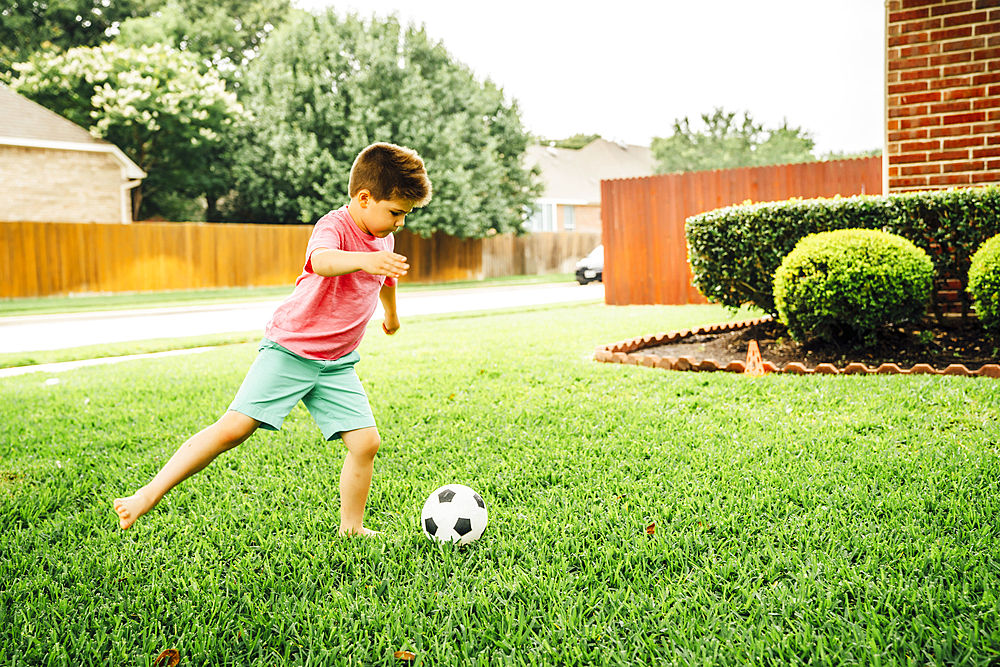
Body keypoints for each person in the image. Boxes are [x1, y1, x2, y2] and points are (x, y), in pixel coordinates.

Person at [113, 142, 432, 536]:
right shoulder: (334, 226)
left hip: (336, 363)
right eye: (396, 213)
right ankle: (148, 494)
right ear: (364, 199)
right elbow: (321, 261)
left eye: (406, 215)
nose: (400, 223)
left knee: (366, 443)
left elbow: (385, 278)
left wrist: (392, 315)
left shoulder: (384, 239)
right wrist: (365, 260)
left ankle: (352, 527)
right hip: (291, 350)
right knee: (234, 429)